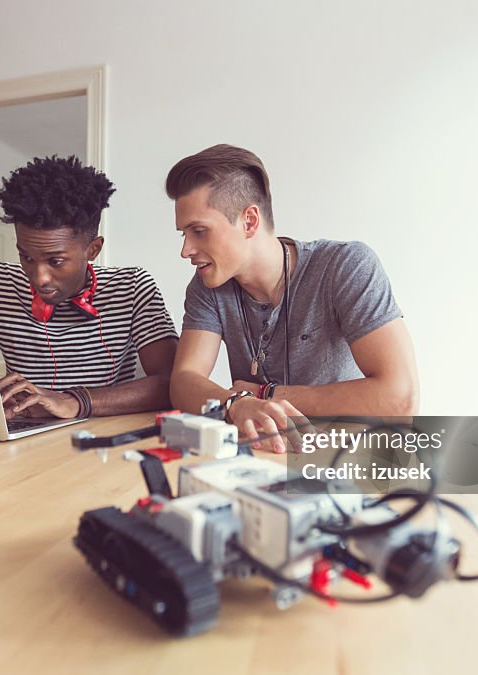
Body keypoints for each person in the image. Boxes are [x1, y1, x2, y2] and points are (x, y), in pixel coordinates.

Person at [166, 144, 419, 452]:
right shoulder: (207, 286)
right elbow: (183, 380)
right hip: (264, 462)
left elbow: (400, 398)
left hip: (351, 460)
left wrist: (264, 394)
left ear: (249, 221)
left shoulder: (346, 265)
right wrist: (234, 403)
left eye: (199, 231)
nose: (186, 250)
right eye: (184, 234)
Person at [0, 155, 178, 419]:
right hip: (21, 434)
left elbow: (171, 382)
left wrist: (76, 402)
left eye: (55, 261)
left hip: (100, 437)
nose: (39, 277)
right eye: (26, 257)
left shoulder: (132, 287)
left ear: (93, 249)